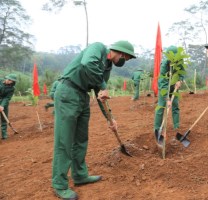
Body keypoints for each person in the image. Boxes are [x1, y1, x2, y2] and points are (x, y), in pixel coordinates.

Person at [52, 40, 136, 200]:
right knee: (64, 142)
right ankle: (59, 184)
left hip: (83, 96)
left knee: (81, 139)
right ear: (120, 52)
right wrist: (103, 86)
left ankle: (80, 175)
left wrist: (110, 119)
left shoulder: (108, 67)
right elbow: (87, 64)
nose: (125, 59)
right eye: (126, 56)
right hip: (68, 91)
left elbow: (100, 93)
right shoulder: (98, 48)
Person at [154, 46, 185, 144]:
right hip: (164, 88)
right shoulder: (164, 64)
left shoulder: (180, 61)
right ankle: (157, 129)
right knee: (161, 107)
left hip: (174, 87)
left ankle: (176, 128)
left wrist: (180, 80)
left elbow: (182, 73)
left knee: (175, 106)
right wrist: (167, 98)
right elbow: (162, 82)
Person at [0, 74, 17, 140]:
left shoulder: (12, 88)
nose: (9, 81)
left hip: (4, 104)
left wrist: (2, 105)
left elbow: (7, 98)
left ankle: (4, 135)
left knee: (4, 120)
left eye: (11, 81)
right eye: (9, 79)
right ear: (6, 78)